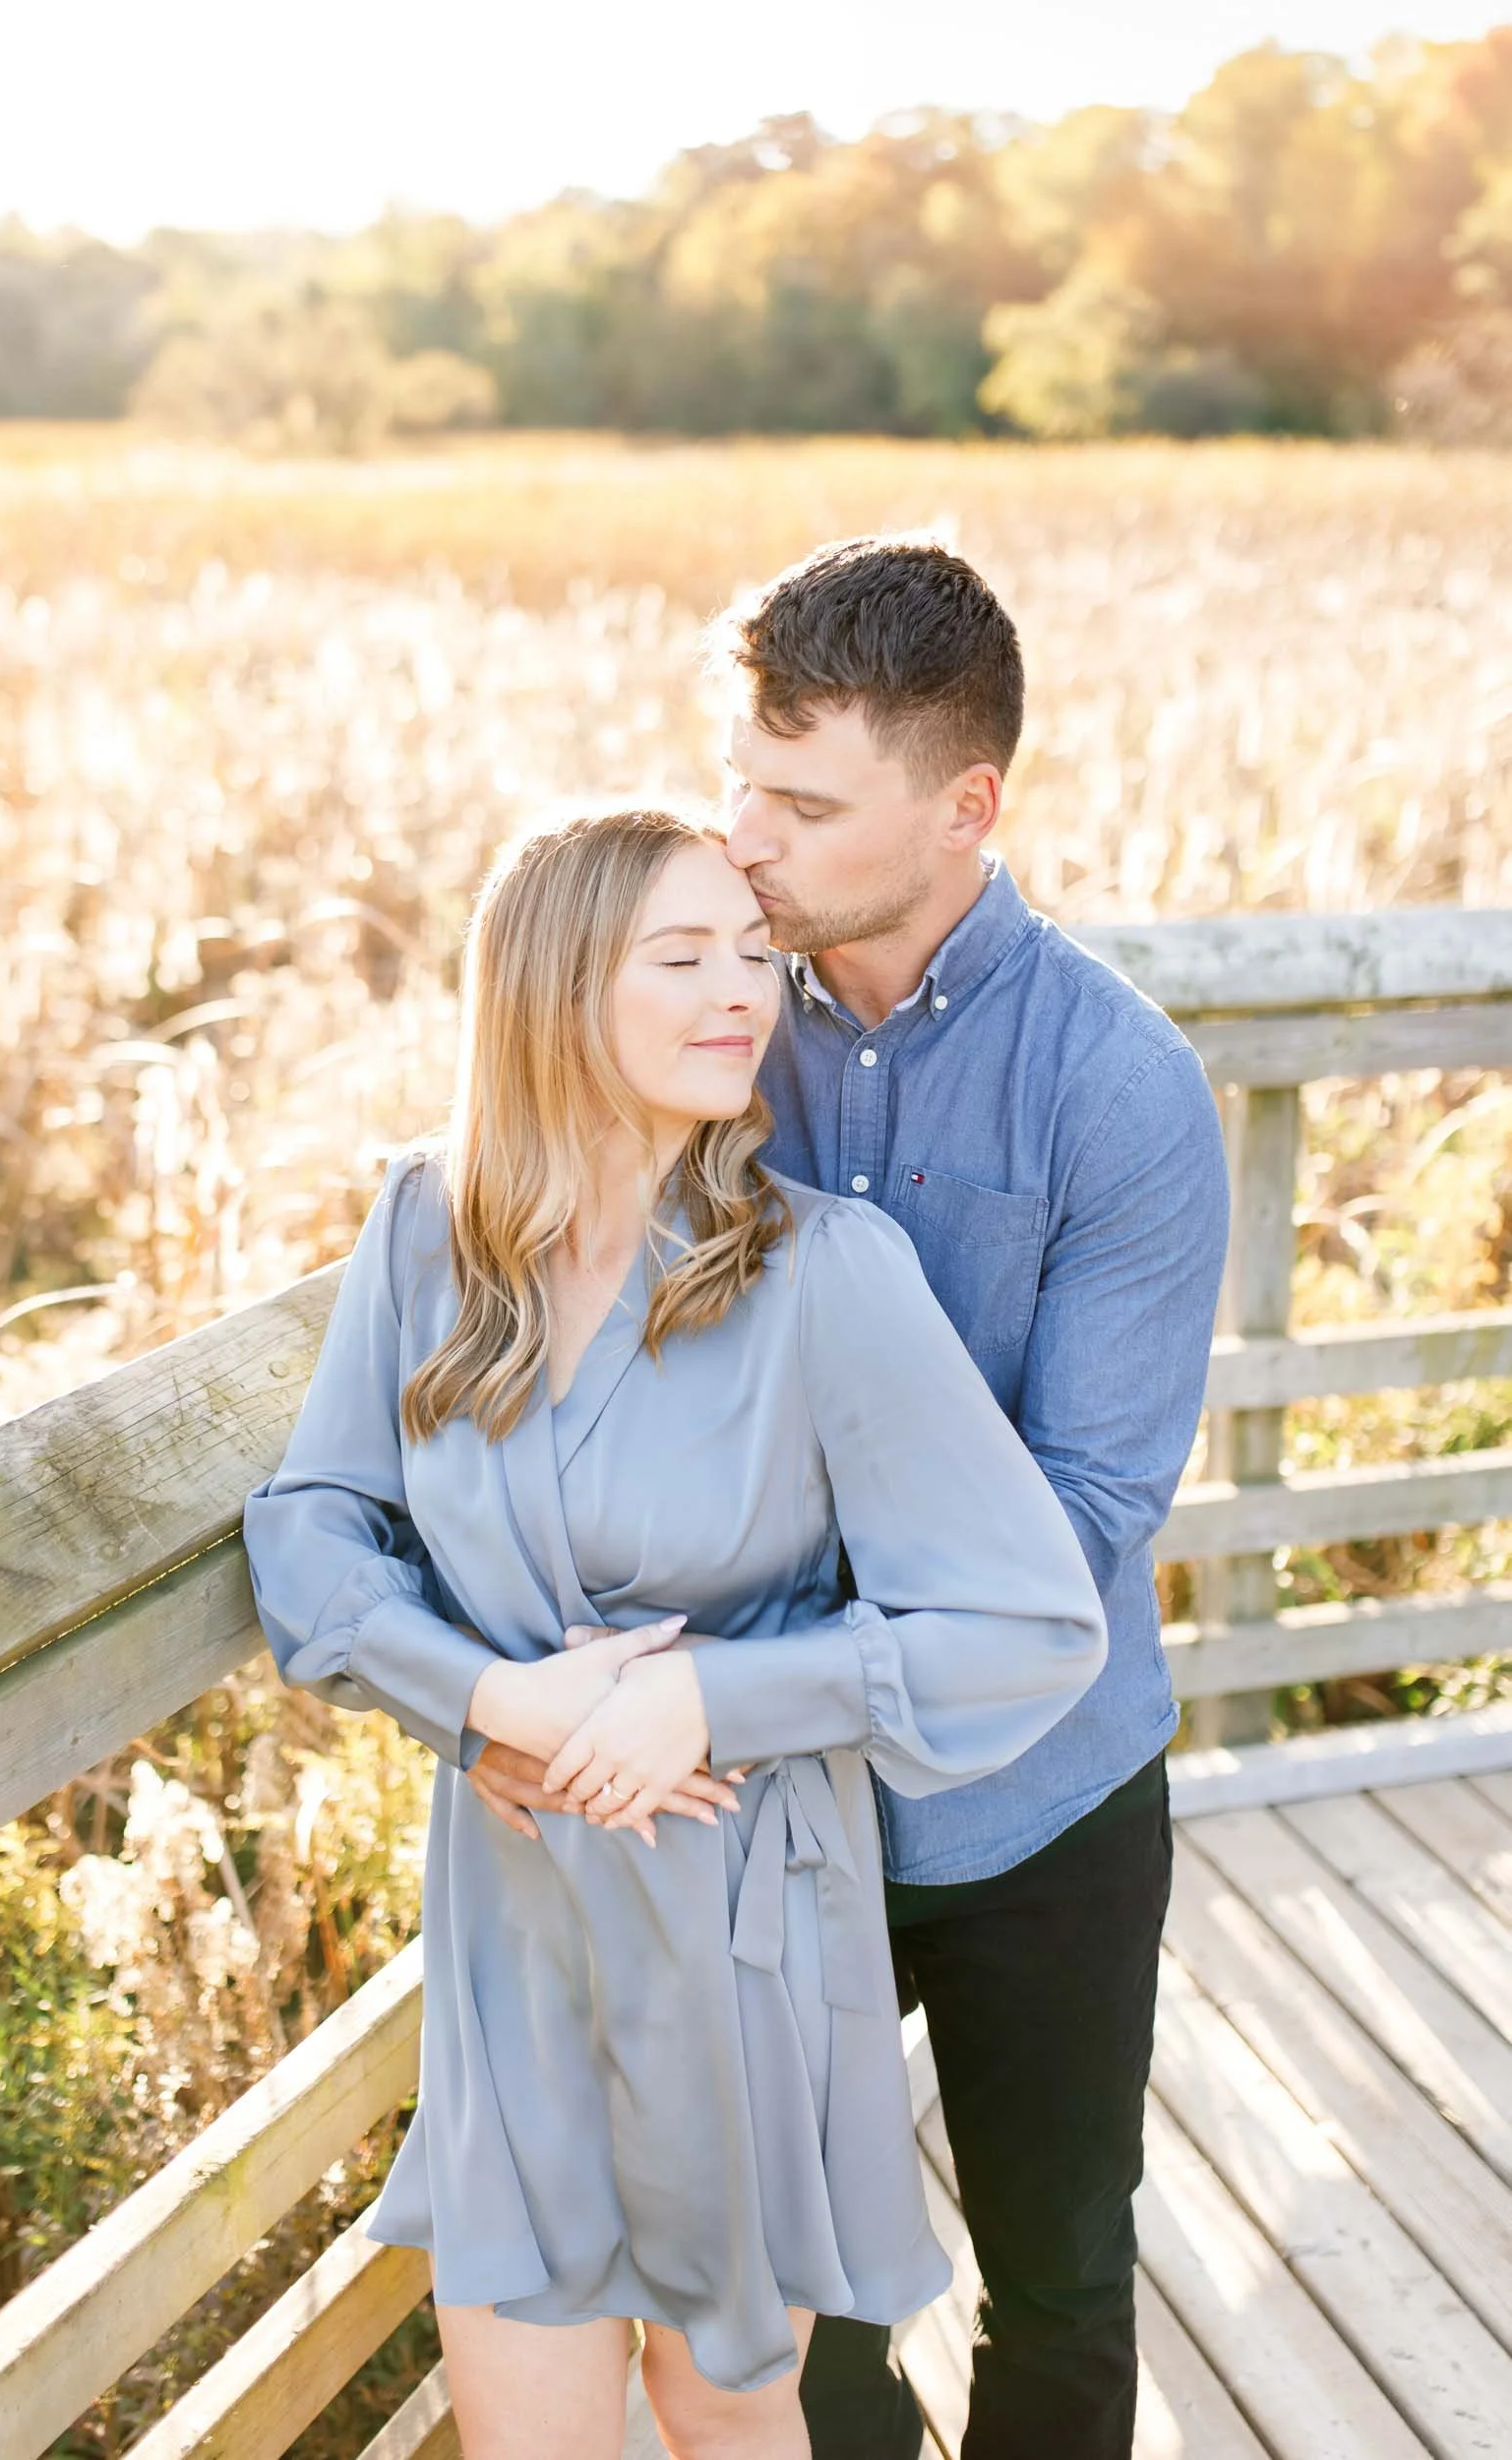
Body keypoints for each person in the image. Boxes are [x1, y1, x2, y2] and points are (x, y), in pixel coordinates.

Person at [469, 542, 1232, 2460]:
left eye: (803, 801)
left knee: (1060, 2272)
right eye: (740, 779)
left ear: (966, 804)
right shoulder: (710, 1022)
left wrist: (731, 1679)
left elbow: (1075, 1523)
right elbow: (552, 1291)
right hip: (772, 1825)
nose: (745, 836)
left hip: (1044, 1790)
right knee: (791, 2307)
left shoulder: (1120, 1091)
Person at [242, 806, 1107, 2460]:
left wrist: (711, 1698)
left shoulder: (826, 1273)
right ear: (559, 987)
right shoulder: (428, 1231)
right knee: (530, 2422)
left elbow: (1025, 1622)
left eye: (752, 953)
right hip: (514, 1922)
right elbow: (308, 1526)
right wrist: (482, 1699)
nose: (744, 995)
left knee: (719, 2403)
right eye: (684, 956)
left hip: (739, 1923)